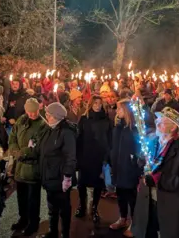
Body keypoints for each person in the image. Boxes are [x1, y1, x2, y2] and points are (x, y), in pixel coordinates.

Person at [132, 107, 179, 238]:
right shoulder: (152, 141)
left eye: (162, 122)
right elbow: (142, 164)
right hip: (148, 201)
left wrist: (159, 179)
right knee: (147, 232)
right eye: (157, 121)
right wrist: (140, 159)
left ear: (173, 128)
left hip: (170, 205)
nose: (157, 124)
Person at [36, 102, 77, 238]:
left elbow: (70, 156)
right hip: (49, 175)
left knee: (64, 208)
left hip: (59, 177)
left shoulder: (66, 132)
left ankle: (65, 234)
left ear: (57, 117)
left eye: (49, 115)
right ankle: (53, 232)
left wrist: (67, 176)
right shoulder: (50, 128)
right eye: (46, 114)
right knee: (52, 207)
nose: (46, 117)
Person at [7, 98, 46, 236]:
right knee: (21, 197)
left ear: (38, 109)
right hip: (20, 168)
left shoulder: (42, 125)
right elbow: (12, 139)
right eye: (29, 112)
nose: (32, 114)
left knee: (33, 199)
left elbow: (38, 148)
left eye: (34, 111)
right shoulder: (21, 121)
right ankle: (23, 219)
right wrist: (15, 151)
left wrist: (21, 153)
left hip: (33, 169)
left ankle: (33, 222)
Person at [109, 99, 142, 237]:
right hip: (118, 166)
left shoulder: (134, 129)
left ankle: (134, 224)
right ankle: (122, 218)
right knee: (121, 193)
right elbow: (113, 146)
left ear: (127, 111)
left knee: (131, 196)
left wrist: (136, 164)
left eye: (120, 109)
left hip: (129, 167)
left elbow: (140, 149)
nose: (117, 111)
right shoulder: (117, 127)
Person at [75, 95, 111, 224]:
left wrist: (107, 157)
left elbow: (109, 139)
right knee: (82, 184)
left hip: (99, 156)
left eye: (99, 103)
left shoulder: (106, 120)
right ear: (91, 104)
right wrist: (77, 157)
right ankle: (82, 206)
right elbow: (78, 138)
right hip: (85, 156)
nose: (97, 105)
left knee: (97, 184)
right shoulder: (84, 119)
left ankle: (94, 207)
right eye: (95, 103)